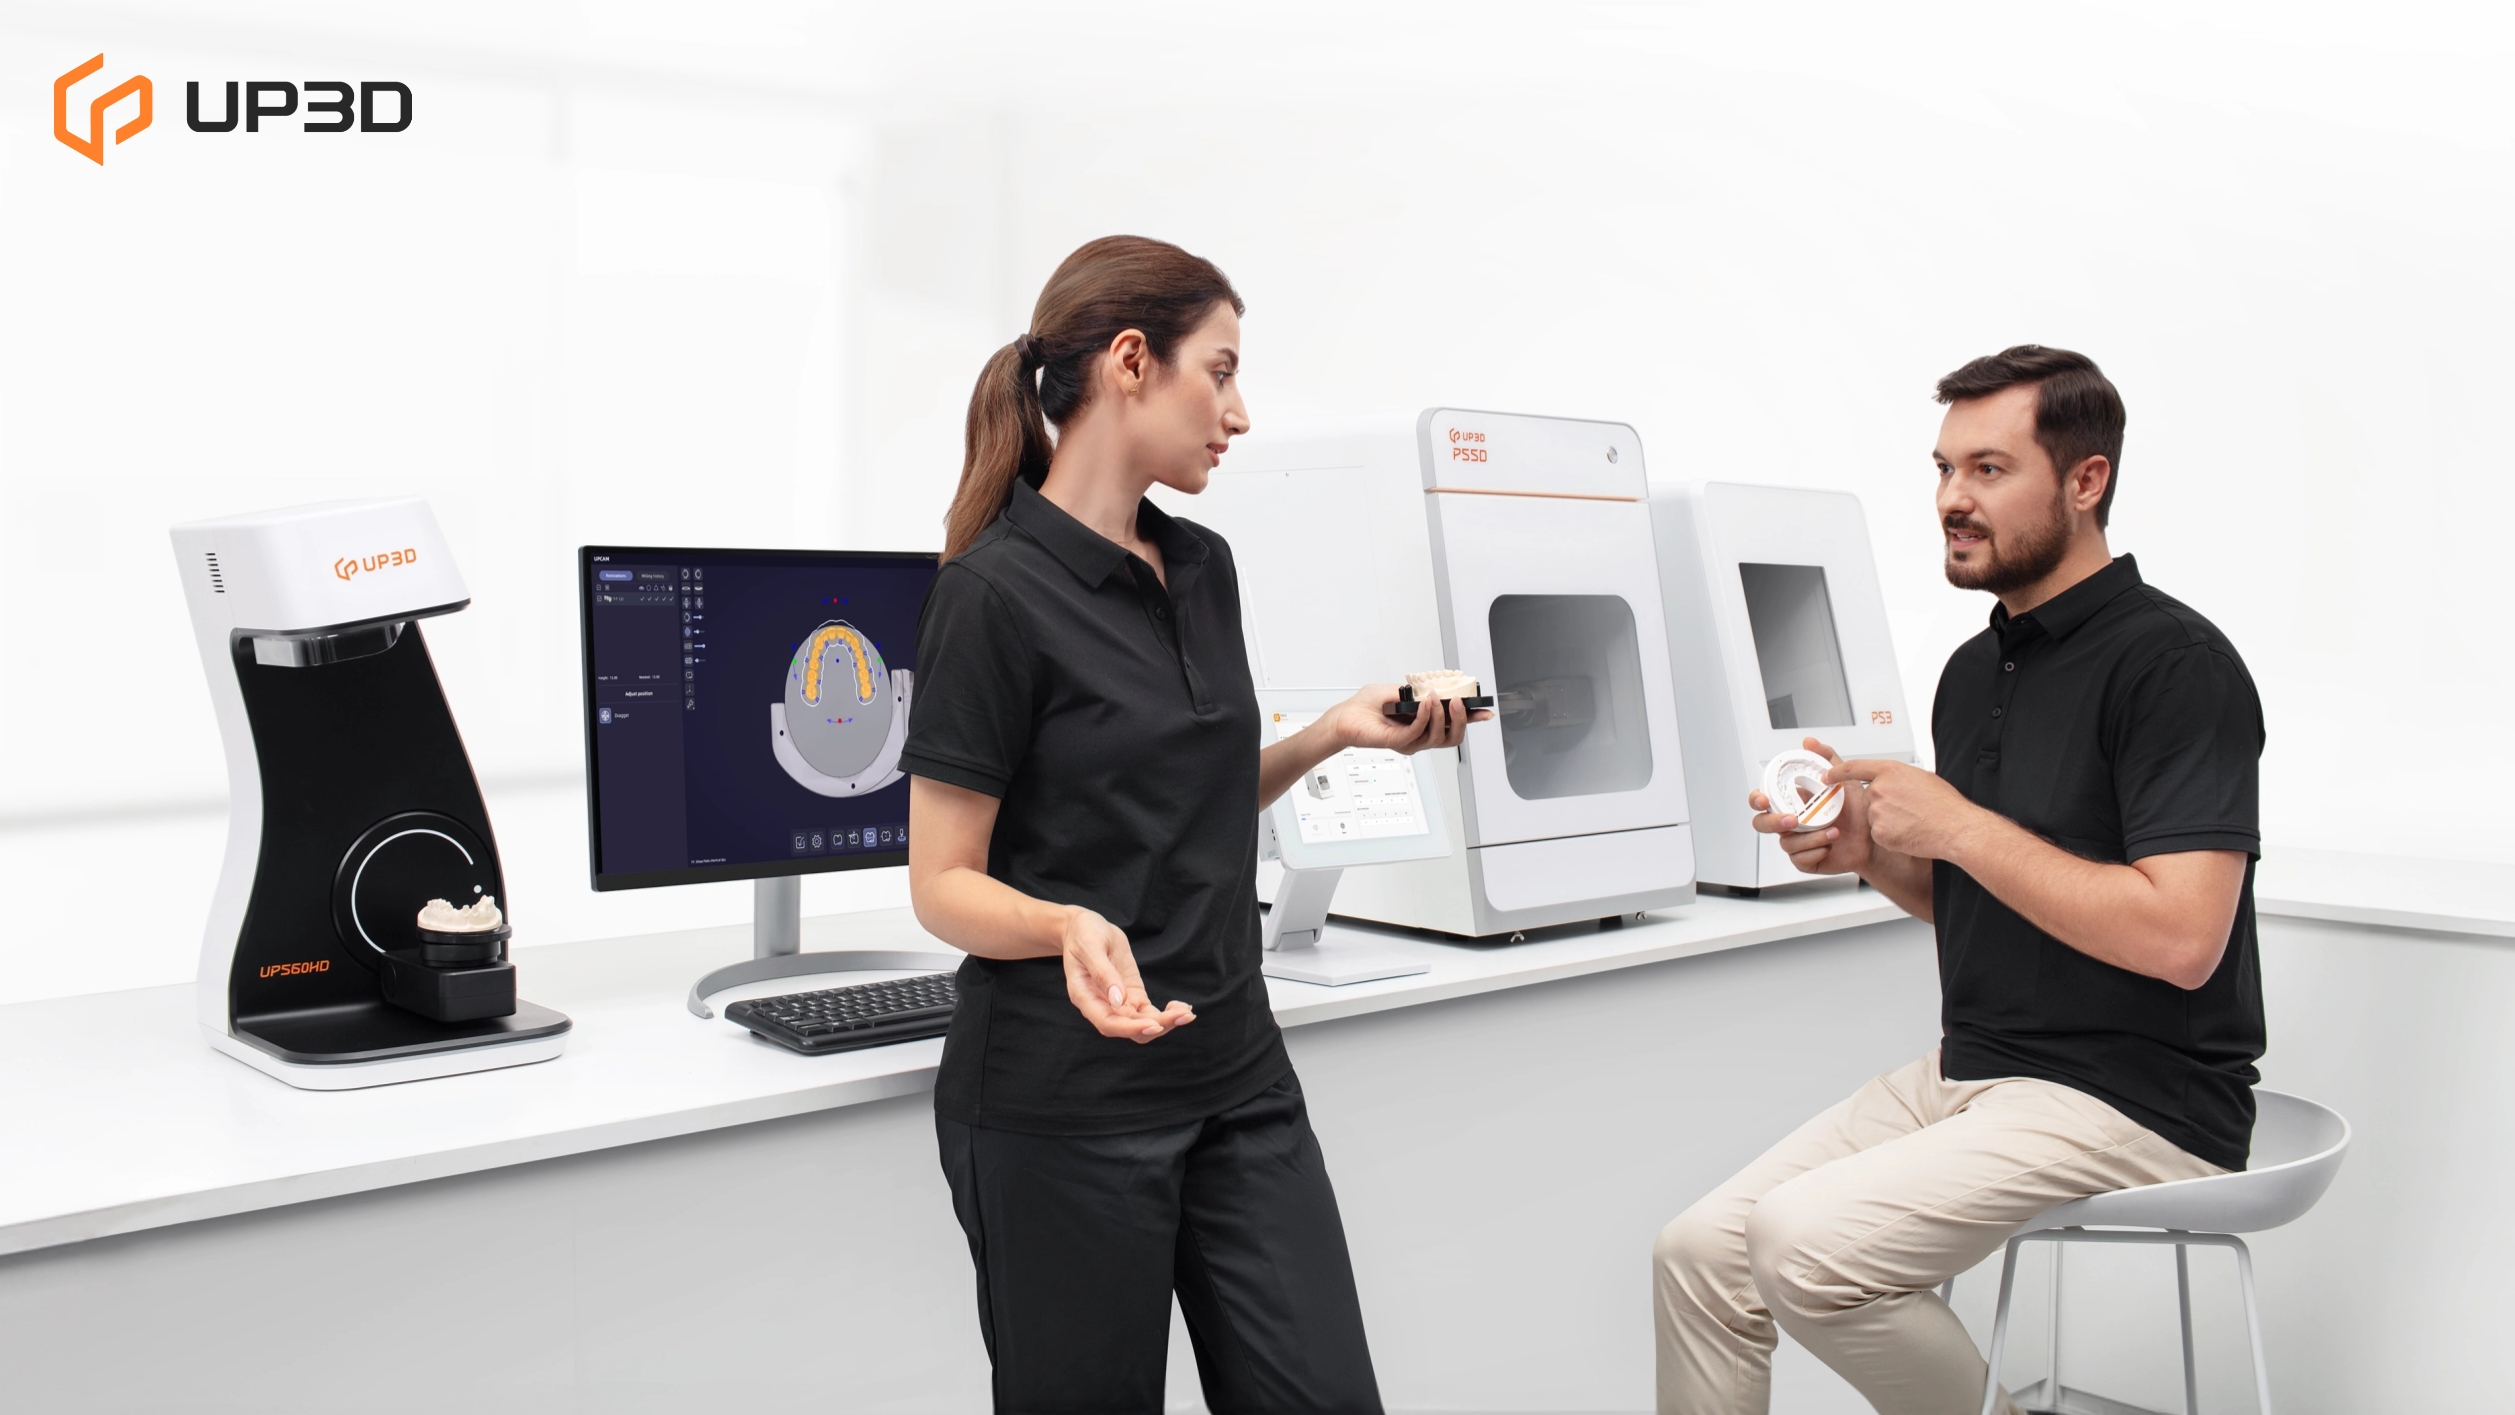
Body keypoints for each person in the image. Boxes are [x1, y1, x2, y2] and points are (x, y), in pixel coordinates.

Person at [902, 235, 1484, 1415]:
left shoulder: (1201, 565)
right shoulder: (991, 595)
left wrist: (1327, 735)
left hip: (1236, 1072)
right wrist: (1067, 924)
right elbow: (942, 881)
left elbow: (1189, 796)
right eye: (1217, 373)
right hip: (1063, 1102)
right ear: (1130, 361)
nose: (1239, 411)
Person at [1652, 346, 2266, 1415]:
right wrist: (1875, 857)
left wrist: (1957, 824)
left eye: (1987, 469)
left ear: (2085, 480)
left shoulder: (2177, 666)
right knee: (1698, 1249)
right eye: (1942, 469)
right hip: (1981, 1068)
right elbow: (1998, 901)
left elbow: (2181, 937)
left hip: (2136, 1093)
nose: (1950, 499)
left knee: (1804, 1243)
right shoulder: (1976, 668)